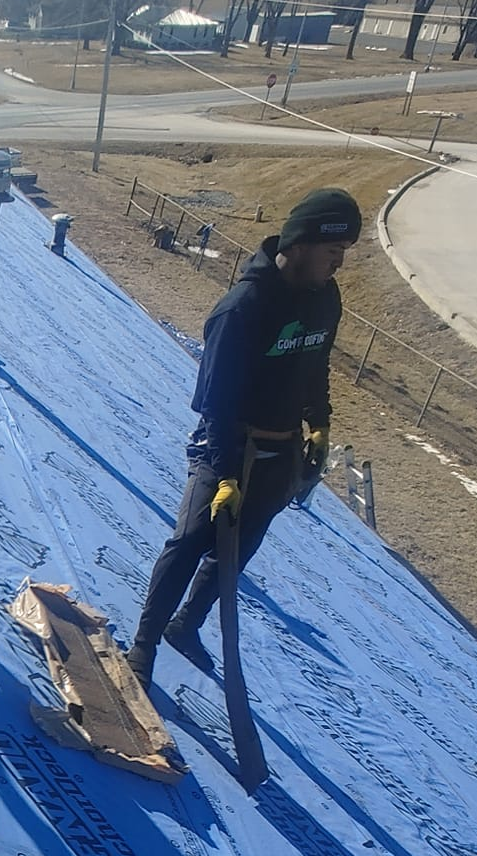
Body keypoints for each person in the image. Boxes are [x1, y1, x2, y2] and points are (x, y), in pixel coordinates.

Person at [125, 187, 362, 688]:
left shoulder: (325, 300)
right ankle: (142, 646)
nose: (339, 264)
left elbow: (315, 365)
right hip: (227, 444)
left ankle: (184, 627)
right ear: (298, 246)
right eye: (331, 252)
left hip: (281, 453)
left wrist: (319, 425)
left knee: (237, 552)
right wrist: (227, 474)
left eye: (343, 253)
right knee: (191, 540)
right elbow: (216, 403)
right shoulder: (243, 309)